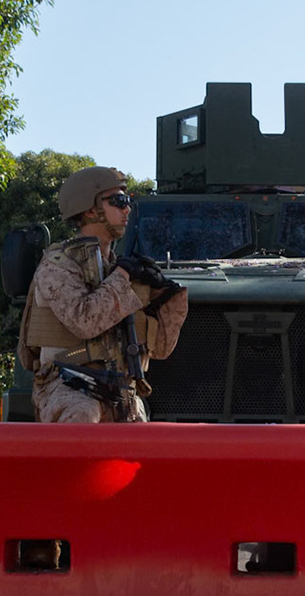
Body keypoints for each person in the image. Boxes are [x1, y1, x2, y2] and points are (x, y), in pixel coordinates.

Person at [18, 166, 189, 422]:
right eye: (119, 201)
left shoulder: (117, 268)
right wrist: (122, 276)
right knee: (82, 416)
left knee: (146, 445)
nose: (127, 209)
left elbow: (161, 349)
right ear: (90, 210)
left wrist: (165, 296)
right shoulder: (58, 265)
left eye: (128, 201)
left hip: (121, 390)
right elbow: (84, 322)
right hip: (67, 385)